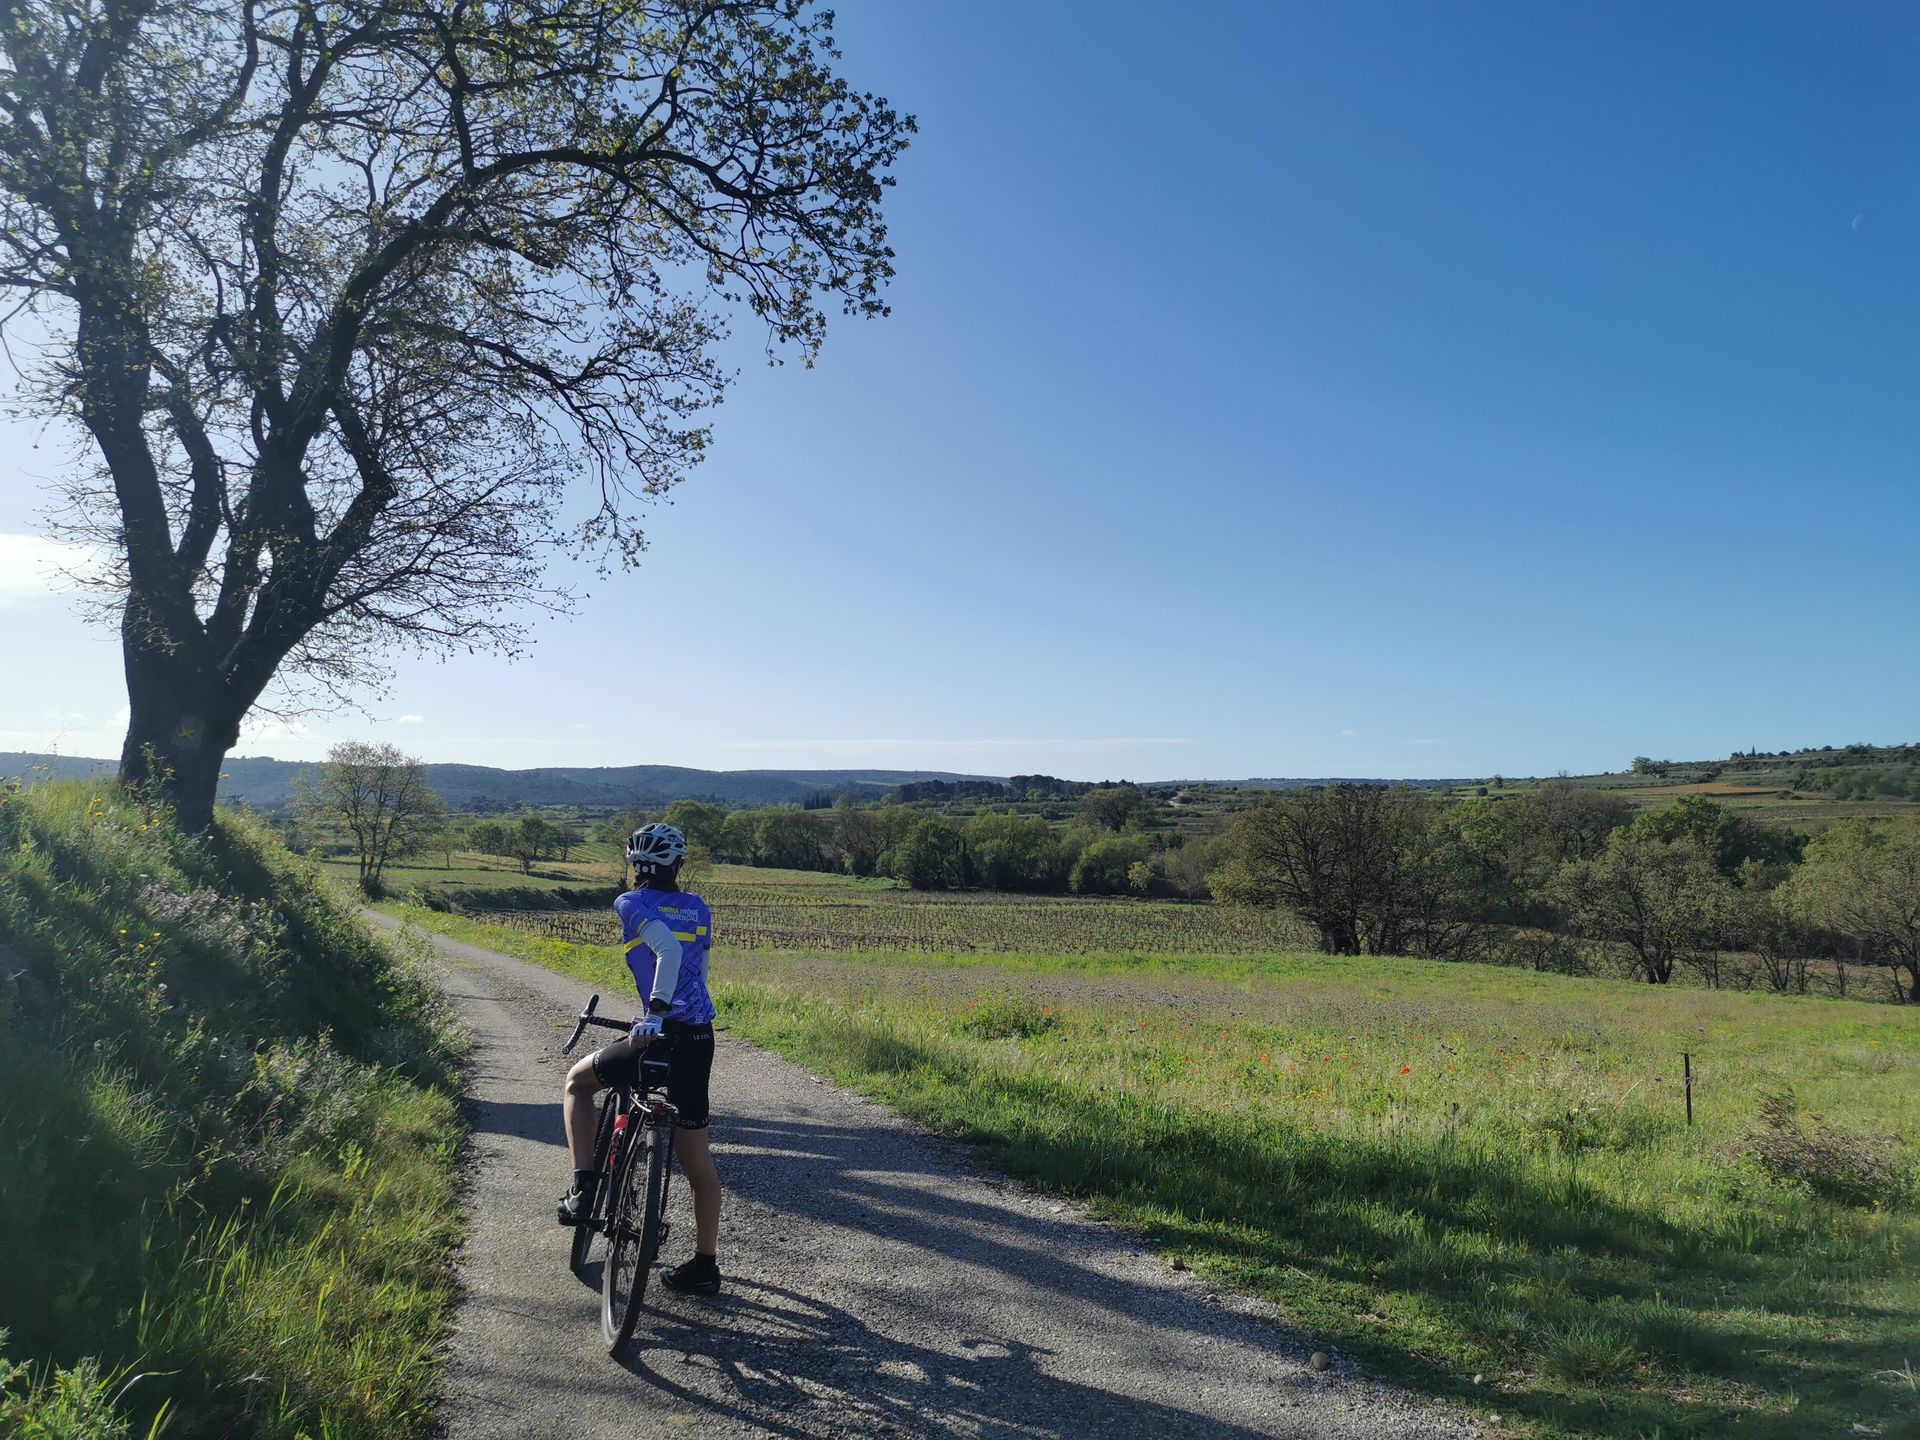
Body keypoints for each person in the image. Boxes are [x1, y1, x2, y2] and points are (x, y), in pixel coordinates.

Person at [556, 821, 724, 1296]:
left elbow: (667, 951)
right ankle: (705, 1265)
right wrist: (674, 1008)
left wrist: (654, 1012)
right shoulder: (697, 906)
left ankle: (584, 1187)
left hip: (658, 1031)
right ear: (678, 864)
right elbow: (699, 966)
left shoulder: (630, 903)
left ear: (634, 865)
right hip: (698, 1035)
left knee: (577, 1082)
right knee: (697, 1157)